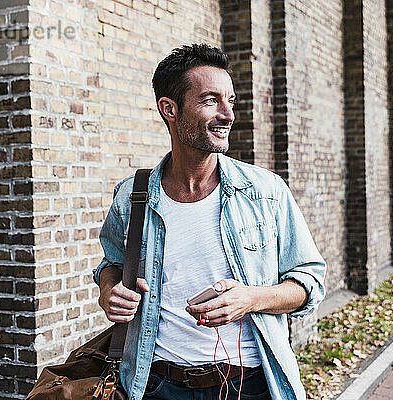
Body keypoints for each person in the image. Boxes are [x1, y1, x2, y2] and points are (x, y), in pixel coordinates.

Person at [93, 43, 326, 400]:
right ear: (169, 109)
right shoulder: (132, 196)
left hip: (250, 385)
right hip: (156, 385)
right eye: (210, 100)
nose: (228, 114)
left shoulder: (265, 191)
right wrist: (110, 290)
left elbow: (308, 283)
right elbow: (111, 263)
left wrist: (249, 299)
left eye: (230, 100)